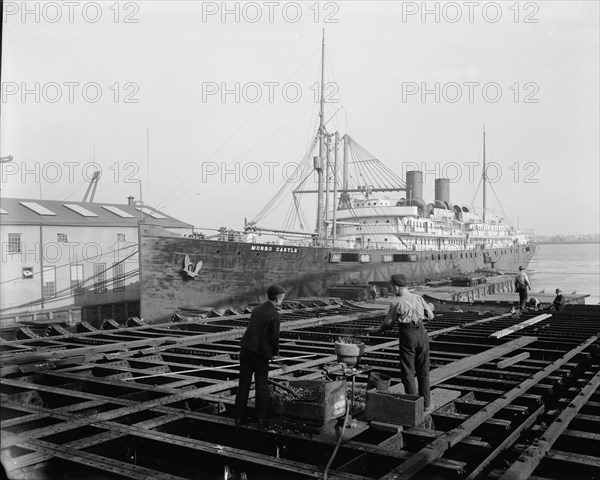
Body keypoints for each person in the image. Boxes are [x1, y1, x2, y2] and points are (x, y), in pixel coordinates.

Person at [370, 274, 434, 409]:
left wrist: (375, 331)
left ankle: (413, 404)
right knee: (423, 370)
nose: (393, 290)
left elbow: (388, 324)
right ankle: (426, 404)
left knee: (408, 371)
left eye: (392, 288)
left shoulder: (396, 302)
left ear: (396, 286)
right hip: (422, 333)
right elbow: (431, 316)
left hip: (408, 335)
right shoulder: (418, 298)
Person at [234, 284, 285, 428]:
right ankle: (261, 419)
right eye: (282, 298)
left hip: (245, 350)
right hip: (260, 355)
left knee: (243, 385)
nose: (282, 300)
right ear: (278, 298)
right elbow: (274, 338)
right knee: (261, 386)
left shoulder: (256, 309)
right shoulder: (275, 315)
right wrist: (275, 353)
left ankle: (239, 418)